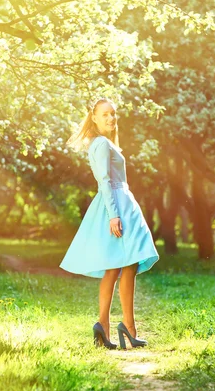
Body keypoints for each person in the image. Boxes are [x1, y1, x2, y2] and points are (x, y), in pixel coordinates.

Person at [60, 98, 159, 350]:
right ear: (94, 118)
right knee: (125, 263)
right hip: (117, 205)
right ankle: (125, 326)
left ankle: (106, 326)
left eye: (113, 114)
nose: (111, 118)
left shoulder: (101, 143)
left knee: (117, 266)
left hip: (118, 202)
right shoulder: (102, 144)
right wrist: (114, 214)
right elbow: (104, 180)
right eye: (105, 114)